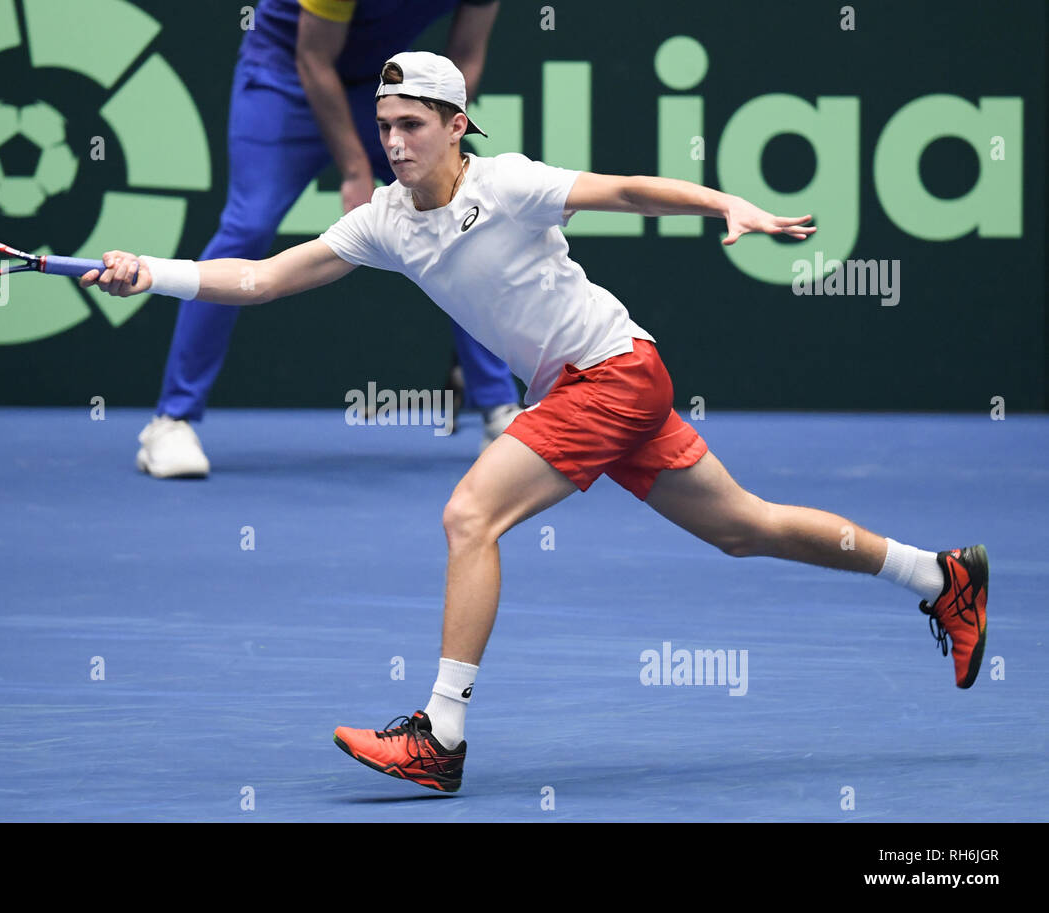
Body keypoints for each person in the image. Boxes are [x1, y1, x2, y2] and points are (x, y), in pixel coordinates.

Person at [82, 52, 990, 793]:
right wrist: (146, 271)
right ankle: (942, 574)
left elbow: (628, 190)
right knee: (743, 529)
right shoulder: (386, 223)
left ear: (455, 126)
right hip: (590, 381)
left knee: (470, 515)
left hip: (613, 371)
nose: (393, 142)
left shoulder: (509, 183)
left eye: (412, 125)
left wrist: (725, 204)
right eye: (385, 125)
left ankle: (439, 734)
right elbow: (263, 278)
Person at [140, 0, 521, 478]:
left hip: (393, 91)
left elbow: (465, 56)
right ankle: (171, 421)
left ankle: (501, 411)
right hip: (287, 77)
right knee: (248, 227)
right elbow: (313, 58)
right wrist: (355, 168)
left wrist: (441, 135)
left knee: (459, 214)